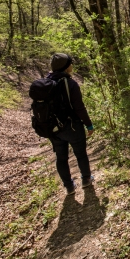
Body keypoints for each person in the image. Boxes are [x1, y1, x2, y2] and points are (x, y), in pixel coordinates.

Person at [48, 53, 95, 195]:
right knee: (80, 154)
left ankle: (69, 187)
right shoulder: (71, 84)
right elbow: (79, 108)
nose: (72, 66)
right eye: (70, 63)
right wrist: (89, 125)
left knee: (61, 158)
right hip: (72, 126)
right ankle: (86, 180)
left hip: (54, 129)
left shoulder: (46, 84)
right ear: (66, 67)